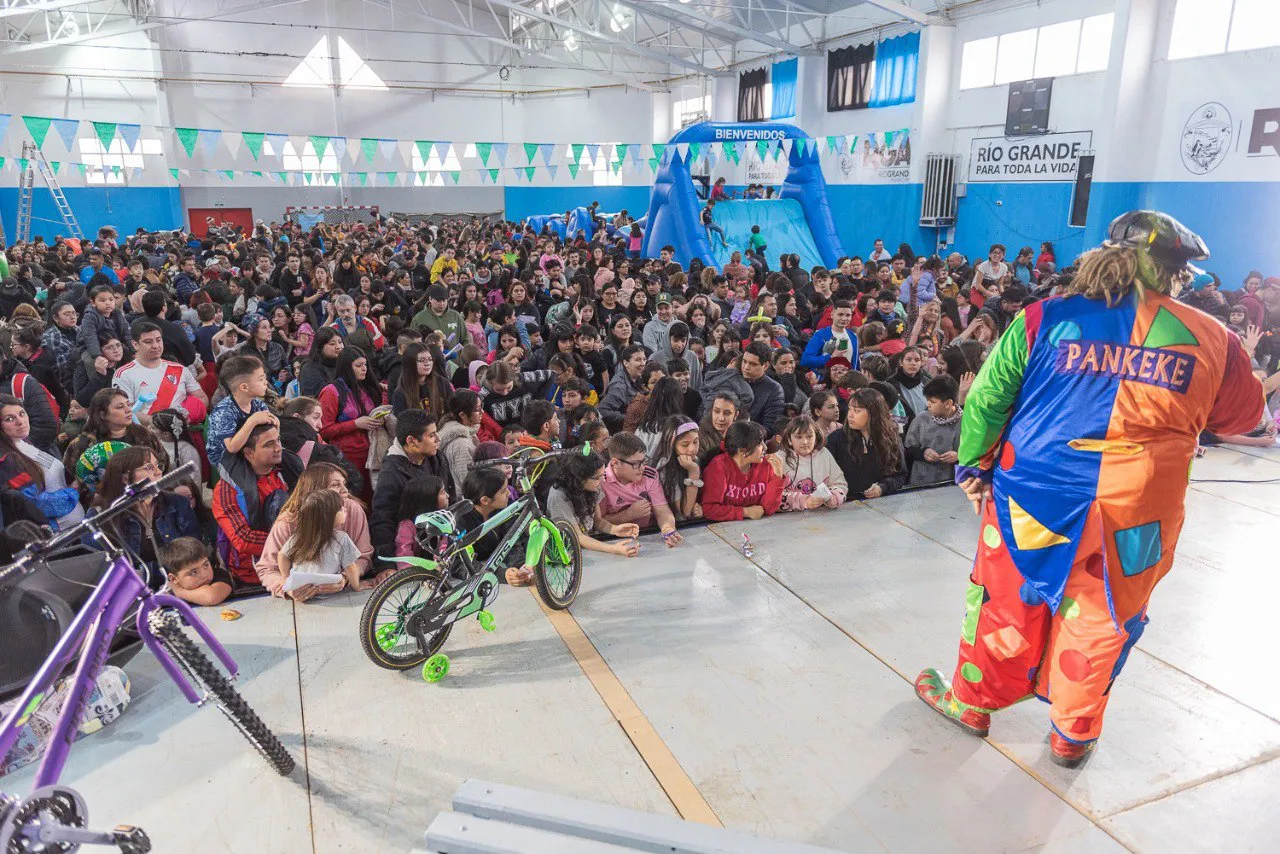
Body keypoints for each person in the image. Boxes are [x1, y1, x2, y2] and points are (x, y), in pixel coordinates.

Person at [914, 211, 1266, 767]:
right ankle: (1072, 734)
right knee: (1105, 615)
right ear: (1176, 274)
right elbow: (1244, 416)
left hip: (1032, 495)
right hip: (1140, 512)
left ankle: (973, 702)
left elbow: (985, 398)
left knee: (1006, 599)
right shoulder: (1212, 337)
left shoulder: (1044, 317)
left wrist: (974, 467)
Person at [256, 461, 376, 598]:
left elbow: (363, 555)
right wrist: (288, 588)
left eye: (344, 484)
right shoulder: (287, 522)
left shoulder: (352, 509)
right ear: (315, 492)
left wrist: (345, 578)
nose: (345, 491)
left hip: (342, 596)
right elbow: (267, 569)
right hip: (300, 604)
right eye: (335, 485)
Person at [87, 445, 203, 583]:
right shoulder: (99, 514)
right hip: (129, 590)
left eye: (158, 465)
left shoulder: (178, 503)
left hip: (179, 583)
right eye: (149, 467)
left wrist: (145, 572)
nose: (158, 472)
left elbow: (194, 553)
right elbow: (95, 566)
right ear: (125, 478)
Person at [213, 422, 301, 586]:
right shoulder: (227, 488)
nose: (278, 448)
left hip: (294, 563)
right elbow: (242, 539)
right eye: (269, 444)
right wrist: (296, 542)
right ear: (249, 452)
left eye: (278, 441)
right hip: (252, 574)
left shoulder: (286, 471)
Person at [370, 408, 450, 568]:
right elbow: (383, 519)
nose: (438, 439)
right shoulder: (391, 473)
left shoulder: (437, 458)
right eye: (431, 435)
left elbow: (451, 497)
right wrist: (385, 567)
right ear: (411, 441)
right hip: (411, 553)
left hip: (440, 542)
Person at [0, 394, 82, 529]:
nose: (20, 422)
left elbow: (53, 468)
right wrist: (74, 491)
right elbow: (36, 504)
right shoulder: (7, 460)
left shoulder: (23, 441)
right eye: (9, 419)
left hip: (73, 525)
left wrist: (74, 479)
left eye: (22, 414)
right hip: (55, 536)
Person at [546, 449, 641, 557]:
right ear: (579, 478)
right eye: (597, 478)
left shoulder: (593, 487)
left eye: (603, 475)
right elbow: (577, 537)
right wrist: (614, 549)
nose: (602, 481)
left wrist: (614, 529)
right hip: (564, 554)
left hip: (585, 548)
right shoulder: (558, 497)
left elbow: (598, 521)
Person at [318, 347, 386, 499]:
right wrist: (355, 424)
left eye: (365, 365)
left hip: (373, 453)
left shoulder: (366, 387)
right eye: (358, 365)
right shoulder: (331, 391)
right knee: (355, 500)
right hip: (348, 457)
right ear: (347, 367)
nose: (364, 369)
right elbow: (324, 429)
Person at [113, 320, 208, 426]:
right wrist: (162, 423)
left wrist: (189, 415)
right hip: (146, 437)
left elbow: (202, 398)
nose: (155, 346)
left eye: (158, 340)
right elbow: (127, 410)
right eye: (148, 342)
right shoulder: (123, 374)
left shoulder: (180, 369)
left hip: (181, 436)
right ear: (135, 344)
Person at [598, 431, 682, 544]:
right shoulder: (601, 481)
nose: (642, 467)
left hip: (648, 534)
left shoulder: (650, 476)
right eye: (636, 463)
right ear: (615, 463)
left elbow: (662, 511)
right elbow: (598, 521)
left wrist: (668, 530)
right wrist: (629, 514)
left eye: (644, 461)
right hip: (613, 539)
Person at [278, 489, 367, 594]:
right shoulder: (341, 538)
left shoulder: (298, 537)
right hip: (329, 589)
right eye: (339, 509)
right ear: (327, 517)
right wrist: (356, 586)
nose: (344, 509)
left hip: (302, 589)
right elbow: (351, 566)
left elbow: (282, 555)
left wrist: (285, 577)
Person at [825, 387, 906, 500]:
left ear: (874, 413)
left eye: (857, 411)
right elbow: (824, 477)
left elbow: (900, 475)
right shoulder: (836, 439)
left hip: (881, 505)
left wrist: (882, 487)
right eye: (850, 409)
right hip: (844, 507)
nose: (850, 415)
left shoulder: (892, 439)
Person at [701, 420, 784, 522]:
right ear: (742, 451)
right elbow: (709, 509)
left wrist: (777, 478)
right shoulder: (719, 466)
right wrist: (744, 512)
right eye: (759, 444)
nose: (765, 447)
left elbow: (768, 509)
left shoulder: (765, 464)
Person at [205, 355, 276, 472]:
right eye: (261, 379)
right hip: (225, 460)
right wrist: (252, 421)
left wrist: (275, 423)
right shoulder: (224, 411)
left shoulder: (257, 404)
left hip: (248, 451)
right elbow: (232, 447)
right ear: (244, 387)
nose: (266, 382)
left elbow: (270, 429)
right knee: (249, 487)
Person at [772, 416, 847, 512]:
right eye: (799, 437)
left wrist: (834, 497)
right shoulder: (778, 459)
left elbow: (840, 483)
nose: (805, 442)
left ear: (816, 438)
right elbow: (772, 496)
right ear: (789, 439)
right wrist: (803, 501)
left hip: (823, 516)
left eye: (809, 436)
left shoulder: (824, 454)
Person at [903, 375, 962, 487]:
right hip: (921, 484)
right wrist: (923, 452)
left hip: (953, 486)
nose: (928, 405)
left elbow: (976, 452)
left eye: (933, 401)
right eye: (927, 400)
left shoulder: (966, 422)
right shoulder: (922, 419)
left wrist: (959, 456)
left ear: (948, 403)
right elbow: (907, 449)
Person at [649, 416, 703, 521]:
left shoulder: (695, 460)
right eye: (685, 444)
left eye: (695, 442)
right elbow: (685, 511)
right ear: (671, 445)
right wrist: (693, 473)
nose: (692, 449)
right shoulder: (664, 468)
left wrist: (700, 508)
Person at [391, 475, 450, 571]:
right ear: (429, 499)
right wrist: (416, 573)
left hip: (440, 571)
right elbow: (404, 556)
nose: (448, 495)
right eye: (443, 492)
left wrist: (440, 564)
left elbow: (445, 547)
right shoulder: (407, 526)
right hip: (416, 576)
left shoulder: (445, 520)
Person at [161, 537, 234, 607]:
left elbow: (212, 596)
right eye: (193, 572)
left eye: (206, 565)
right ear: (174, 579)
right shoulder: (167, 593)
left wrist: (179, 591)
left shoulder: (219, 574)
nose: (204, 575)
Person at [436, 389, 483, 495]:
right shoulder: (460, 444)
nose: (482, 412)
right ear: (462, 415)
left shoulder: (466, 432)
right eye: (477, 409)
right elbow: (468, 483)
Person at [392, 342, 451, 417]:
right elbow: (403, 423)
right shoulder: (400, 393)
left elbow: (452, 412)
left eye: (430, 359)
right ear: (410, 363)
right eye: (421, 360)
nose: (427, 363)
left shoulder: (442, 383)